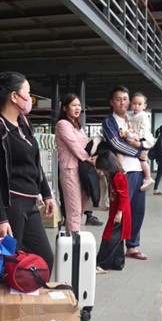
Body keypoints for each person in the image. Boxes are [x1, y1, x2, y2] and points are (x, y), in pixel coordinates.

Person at [0, 70, 55, 270]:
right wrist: (0, 218)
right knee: (12, 263)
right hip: (10, 204)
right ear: (15, 96)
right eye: (28, 93)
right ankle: (7, 299)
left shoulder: (24, 123)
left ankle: (22, 296)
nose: (30, 98)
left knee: (45, 259)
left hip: (30, 202)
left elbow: (34, 163)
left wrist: (46, 194)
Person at [101, 86, 148, 261]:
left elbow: (146, 138)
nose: (123, 102)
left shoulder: (135, 119)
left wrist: (144, 147)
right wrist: (138, 152)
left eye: (125, 99)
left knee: (138, 210)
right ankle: (114, 249)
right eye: (118, 99)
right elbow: (115, 143)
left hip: (139, 171)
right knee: (120, 212)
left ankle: (132, 246)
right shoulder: (109, 122)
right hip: (122, 173)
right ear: (111, 102)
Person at [54, 93, 92, 232]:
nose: (77, 108)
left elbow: (85, 145)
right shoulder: (62, 124)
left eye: (79, 105)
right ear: (65, 108)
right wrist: (89, 159)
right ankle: (72, 247)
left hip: (82, 169)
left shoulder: (78, 126)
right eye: (73, 105)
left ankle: (74, 240)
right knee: (74, 210)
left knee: (81, 208)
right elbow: (74, 145)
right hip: (70, 170)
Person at [94, 149, 131, 272]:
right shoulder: (116, 176)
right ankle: (117, 262)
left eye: (104, 169)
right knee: (118, 238)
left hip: (119, 212)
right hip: (118, 212)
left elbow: (123, 196)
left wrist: (119, 213)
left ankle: (102, 264)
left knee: (109, 237)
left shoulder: (118, 177)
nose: (103, 172)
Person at [125, 92, 155, 191]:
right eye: (134, 104)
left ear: (144, 106)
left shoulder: (143, 116)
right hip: (135, 138)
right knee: (139, 158)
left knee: (143, 159)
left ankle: (148, 177)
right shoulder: (130, 116)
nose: (136, 106)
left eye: (139, 104)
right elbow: (129, 127)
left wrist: (134, 137)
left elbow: (143, 130)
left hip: (144, 139)